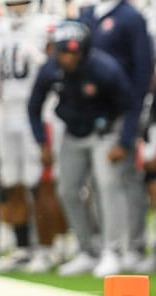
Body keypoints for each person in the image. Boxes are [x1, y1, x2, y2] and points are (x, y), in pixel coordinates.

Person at [28, 20, 138, 277]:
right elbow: (34, 106)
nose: (68, 57)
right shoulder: (50, 70)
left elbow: (129, 106)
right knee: (66, 190)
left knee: (107, 187)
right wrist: (41, 142)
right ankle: (87, 250)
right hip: (72, 133)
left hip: (105, 132)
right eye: (63, 51)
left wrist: (123, 142)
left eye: (74, 52)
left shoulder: (105, 69)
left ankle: (112, 251)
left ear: (85, 50)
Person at [0, 0, 61, 273]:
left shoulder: (45, 26)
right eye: (12, 4)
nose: (17, 8)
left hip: (39, 110)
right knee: (11, 181)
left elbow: (59, 66)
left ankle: (48, 248)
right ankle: (22, 247)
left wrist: (43, 61)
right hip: (7, 111)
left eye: (22, 3)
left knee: (40, 182)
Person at [80, 0, 154, 272]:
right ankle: (108, 248)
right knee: (99, 184)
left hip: (122, 113)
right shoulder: (90, 13)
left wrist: (131, 126)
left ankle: (130, 247)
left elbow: (142, 71)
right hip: (92, 115)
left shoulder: (130, 17)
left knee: (122, 182)